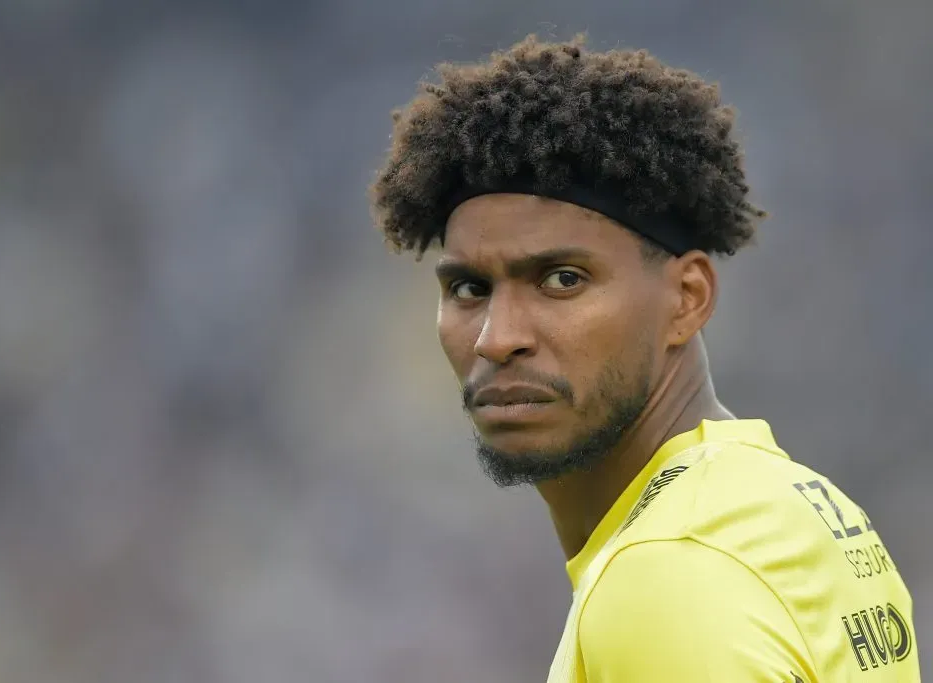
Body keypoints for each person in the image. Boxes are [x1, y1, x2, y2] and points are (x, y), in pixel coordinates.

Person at [368, 35, 920, 682]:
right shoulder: (798, 509)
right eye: (469, 288)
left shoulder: (666, 570)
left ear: (687, 299)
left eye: (563, 279)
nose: (496, 337)